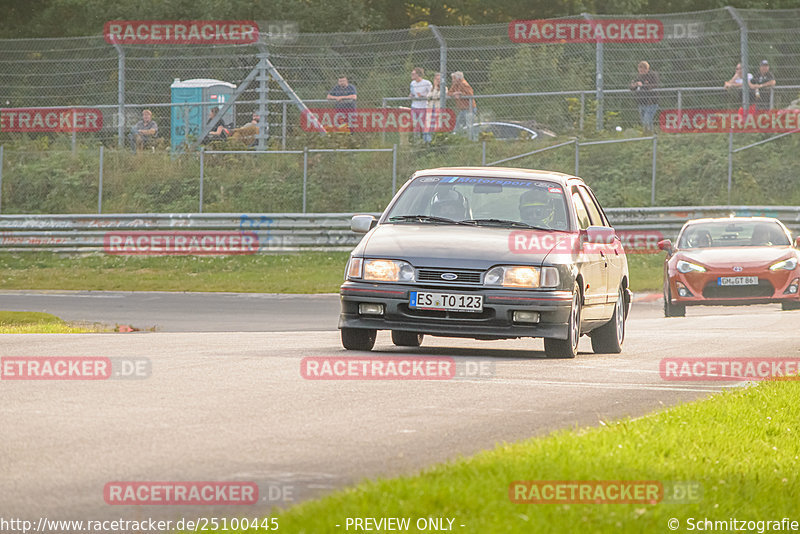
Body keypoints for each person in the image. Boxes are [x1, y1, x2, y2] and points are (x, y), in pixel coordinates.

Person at [629, 61, 659, 130]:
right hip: (641, 102)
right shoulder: (638, 76)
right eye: (639, 70)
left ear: (646, 69)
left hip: (651, 103)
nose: (641, 72)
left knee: (647, 120)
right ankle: (649, 134)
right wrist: (635, 85)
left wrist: (643, 85)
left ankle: (648, 134)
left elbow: (654, 85)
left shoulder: (652, 75)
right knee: (644, 122)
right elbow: (631, 86)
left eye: (642, 70)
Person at [448, 71, 477, 141]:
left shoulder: (464, 84)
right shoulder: (455, 85)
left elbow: (470, 95)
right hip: (462, 109)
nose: (452, 81)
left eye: (453, 79)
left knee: (469, 125)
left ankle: (472, 140)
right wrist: (454, 94)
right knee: (458, 125)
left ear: (458, 79)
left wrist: (461, 94)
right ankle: (457, 139)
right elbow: (449, 93)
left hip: (469, 108)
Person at [410, 67, 433, 142]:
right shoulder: (412, 83)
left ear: (418, 74)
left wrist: (423, 96)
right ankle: (417, 142)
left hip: (423, 107)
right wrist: (411, 95)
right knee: (415, 125)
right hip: (414, 106)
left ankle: (426, 141)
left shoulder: (426, 83)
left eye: (413, 74)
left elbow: (431, 94)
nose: (412, 75)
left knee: (424, 125)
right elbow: (412, 92)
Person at [425, 72, 447, 139]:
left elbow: (438, 96)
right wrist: (435, 88)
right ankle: (427, 141)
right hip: (430, 109)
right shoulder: (432, 88)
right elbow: (428, 96)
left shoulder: (444, 88)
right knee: (428, 127)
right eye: (437, 79)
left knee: (437, 126)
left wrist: (436, 90)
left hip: (438, 109)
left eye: (439, 79)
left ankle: (435, 140)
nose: (438, 81)